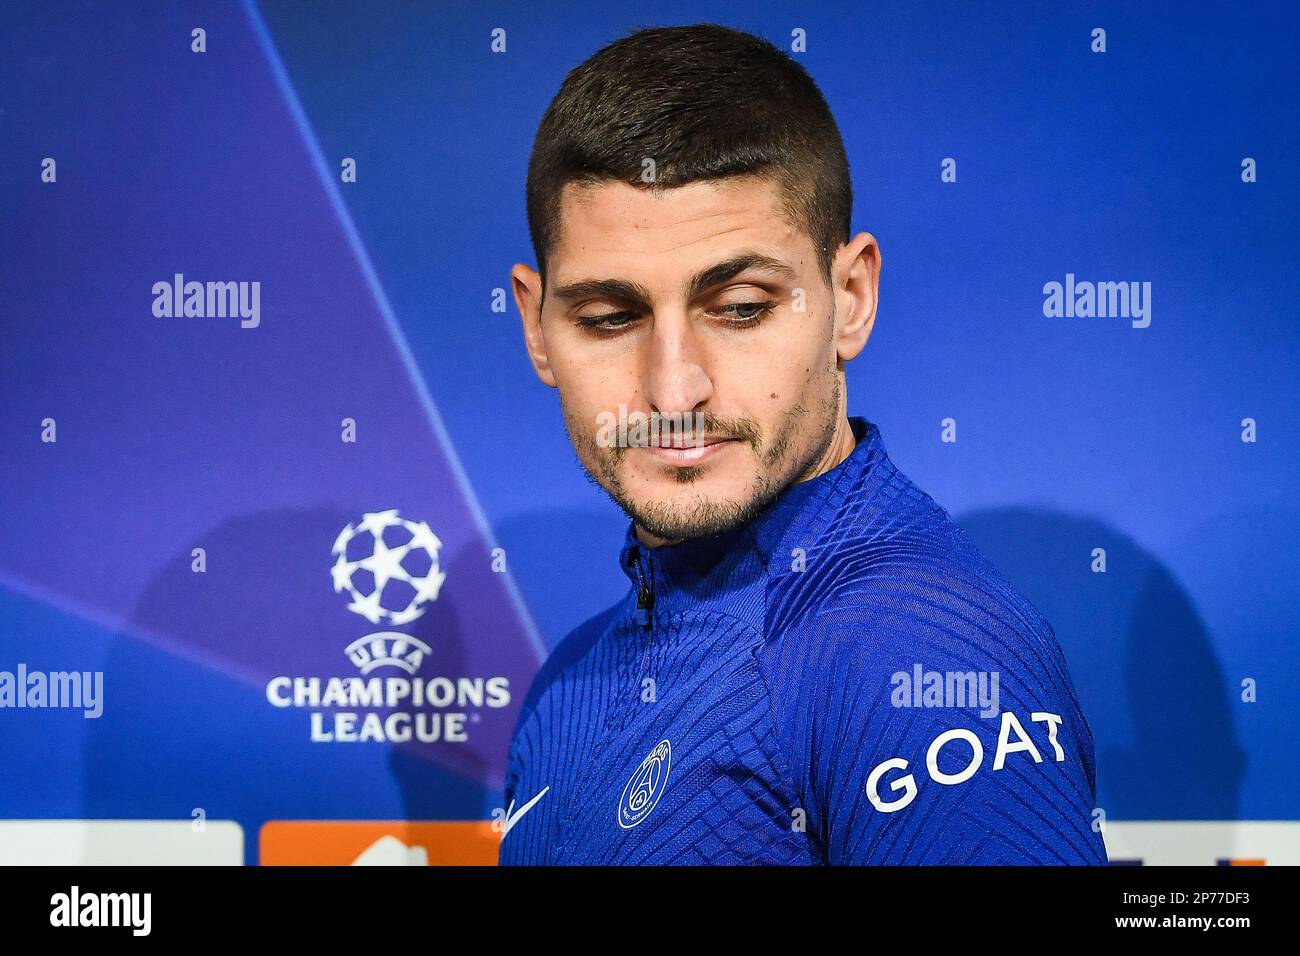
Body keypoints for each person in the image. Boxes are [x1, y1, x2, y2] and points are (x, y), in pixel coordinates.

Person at [500, 23, 1107, 865]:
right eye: (611, 318)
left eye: (741, 307)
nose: (674, 390)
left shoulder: (916, 651)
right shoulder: (568, 681)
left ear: (850, 297)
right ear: (536, 327)